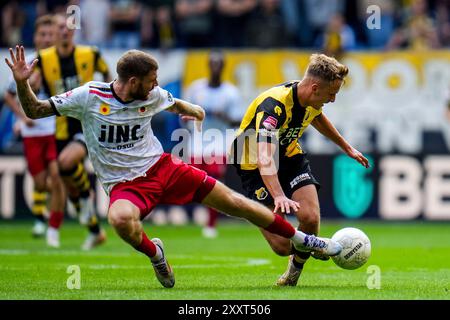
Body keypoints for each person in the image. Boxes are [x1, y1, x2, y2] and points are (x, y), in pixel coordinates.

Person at [7, 46, 342, 288]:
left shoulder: (153, 95)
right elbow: (35, 110)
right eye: (152, 80)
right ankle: (156, 255)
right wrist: (23, 83)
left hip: (164, 167)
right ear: (133, 80)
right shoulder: (88, 96)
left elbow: (178, 103)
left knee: (237, 204)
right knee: (121, 221)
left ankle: (305, 239)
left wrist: (195, 113)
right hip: (124, 184)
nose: (156, 86)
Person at [230, 53, 370, 286]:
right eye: (331, 94)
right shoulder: (273, 106)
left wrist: (347, 148)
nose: (333, 100)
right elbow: (265, 158)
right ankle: (255, 212)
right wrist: (278, 196)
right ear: (315, 88)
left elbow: (317, 117)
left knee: (310, 218)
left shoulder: (310, 99)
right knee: (283, 246)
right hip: (253, 165)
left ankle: (292, 277)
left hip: (289, 156)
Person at [34, 13, 111, 249]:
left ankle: (64, 226)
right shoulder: (44, 59)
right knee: (71, 185)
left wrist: (108, 106)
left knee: (66, 164)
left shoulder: (90, 54)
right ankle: (95, 230)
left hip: (85, 124)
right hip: (58, 128)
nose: (64, 31)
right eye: (59, 28)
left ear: (74, 30)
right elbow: (34, 86)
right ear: (55, 32)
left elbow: (109, 77)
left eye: (68, 27)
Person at [3, 15, 65, 238]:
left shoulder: (61, 63)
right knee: (40, 183)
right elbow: (8, 96)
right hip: (32, 132)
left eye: (51, 34)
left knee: (56, 176)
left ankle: (52, 228)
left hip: (54, 131)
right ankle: (62, 197)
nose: (47, 38)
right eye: (43, 34)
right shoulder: (25, 62)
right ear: (36, 37)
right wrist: (22, 116)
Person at [183, 50, 243, 238]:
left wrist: (222, 116)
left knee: (214, 183)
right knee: (192, 182)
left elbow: (238, 121)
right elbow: (184, 113)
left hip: (219, 142)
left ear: (223, 66)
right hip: (198, 142)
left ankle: (210, 224)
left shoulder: (231, 92)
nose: (215, 67)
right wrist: (188, 118)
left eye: (219, 63)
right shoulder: (196, 89)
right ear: (208, 65)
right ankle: (189, 217)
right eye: (213, 63)